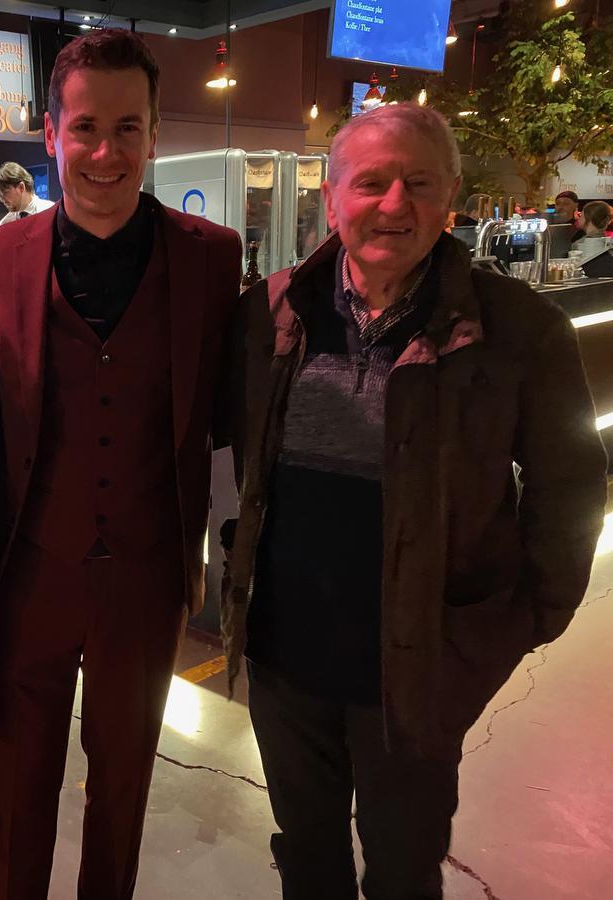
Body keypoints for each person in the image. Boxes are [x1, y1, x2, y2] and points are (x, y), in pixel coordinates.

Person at [222, 103, 606, 899]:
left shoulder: (517, 330)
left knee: (402, 870)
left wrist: (512, 627)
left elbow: (569, 488)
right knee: (307, 854)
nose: (393, 204)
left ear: (451, 196)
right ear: (332, 199)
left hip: (421, 675)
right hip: (285, 662)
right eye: (371, 183)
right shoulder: (271, 314)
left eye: (417, 183)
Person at [0, 29, 242, 900]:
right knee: (15, 797)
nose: (105, 152)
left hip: (147, 578)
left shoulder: (211, 255)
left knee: (123, 795)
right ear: (49, 133)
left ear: (156, 134)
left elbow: (230, 405)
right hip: (27, 576)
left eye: (129, 128)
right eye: (85, 127)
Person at [0, 161, 54, 226]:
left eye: (5, 192)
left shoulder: (51, 212)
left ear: (21, 187)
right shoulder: (5, 223)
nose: (2, 200)